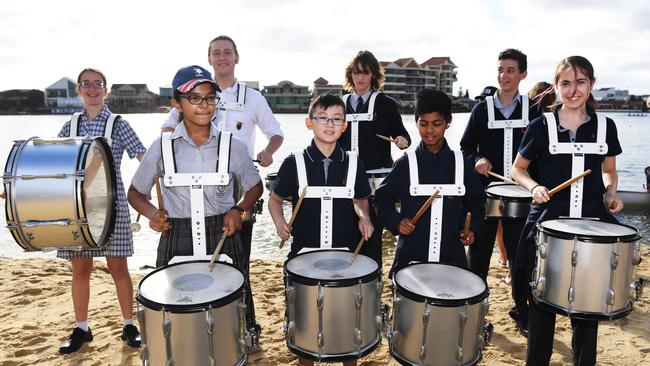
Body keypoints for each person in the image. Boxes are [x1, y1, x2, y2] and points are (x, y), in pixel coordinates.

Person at [128, 65, 263, 345]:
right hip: (177, 233)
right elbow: (135, 192)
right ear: (176, 103)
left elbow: (255, 186)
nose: (204, 105)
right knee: (175, 313)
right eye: (194, 98)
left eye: (210, 97)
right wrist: (153, 214)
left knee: (230, 313)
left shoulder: (233, 145)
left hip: (223, 234)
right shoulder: (161, 146)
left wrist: (239, 209)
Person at [160, 35, 283, 341]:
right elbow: (166, 130)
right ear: (210, 58)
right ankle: (206, 327)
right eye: (216, 53)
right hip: (196, 195)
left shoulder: (253, 98)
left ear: (237, 57)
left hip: (240, 195)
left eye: (228, 52)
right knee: (200, 265)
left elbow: (276, 133)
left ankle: (247, 328)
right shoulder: (195, 92)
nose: (223, 57)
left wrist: (268, 153)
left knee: (239, 263)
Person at [511, 55, 623, 365]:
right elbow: (517, 170)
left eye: (580, 82)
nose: (573, 90)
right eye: (565, 83)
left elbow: (609, 170)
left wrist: (611, 191)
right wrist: (533, 187)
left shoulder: (606, 126)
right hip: (548, 220)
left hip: (591, 222)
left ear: (592, 84)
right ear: (556, 87)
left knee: (587, 311)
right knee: (541, 305)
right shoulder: (540, 125)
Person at [268, 93, 373, 366]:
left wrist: (364, 217)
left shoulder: (353, 162)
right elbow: (275, 199)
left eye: (337, 118)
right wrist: (280, 223)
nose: (330, 124)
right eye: (322, 118)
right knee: (306, 335)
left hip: (345, 254)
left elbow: (360, 198)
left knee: (349, 331)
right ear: (309, 123)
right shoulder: (294, 162)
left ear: (345, 126)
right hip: (303, 255)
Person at [57, 68, 146, 354]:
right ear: (79, 90)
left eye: (98, 84)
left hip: (113, 205)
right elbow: (56, 163)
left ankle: (129, 324)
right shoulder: (69, 126)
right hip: (78, 206)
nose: (93, 89)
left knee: (118, 267)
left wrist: (148, 190)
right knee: (80, 268)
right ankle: (82, 327)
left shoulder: (118, 124)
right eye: (87, 84)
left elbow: (144, 158)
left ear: (106, 90)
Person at [460, 48, 541, 335]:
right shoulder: (481, 109)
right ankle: (473, 313)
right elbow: (466, 147)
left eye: (510, 70)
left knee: (521, 259)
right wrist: (476, 160)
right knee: (478, 256)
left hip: (522, 196)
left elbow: (542, 152)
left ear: (523, 74)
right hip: (487, 194)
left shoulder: (533, 110)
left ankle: (522, 311)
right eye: (500, 70)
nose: (503, 75)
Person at [375, 89, 484, 276]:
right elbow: (381, 199)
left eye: (437, 124)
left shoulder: (462, 163)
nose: (430, 131)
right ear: (416, 122)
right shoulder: (405, 164)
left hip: (452, 258)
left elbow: (476, 202)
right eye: (423, 124)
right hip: (410, 258)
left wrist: (471, 229)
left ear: (448, 123)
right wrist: (396, 221)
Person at [339, 50, 411, 267]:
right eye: (355, 73)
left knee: (372, 237)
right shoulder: (340, 103)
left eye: (365, 73)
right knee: (347, 236)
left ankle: (372, 289)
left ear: (373, 75)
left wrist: (401, 140)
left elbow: (403, 135)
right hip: (345, 179)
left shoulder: (385, 103)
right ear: (350, 75)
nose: (360, 78)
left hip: (376, 182)